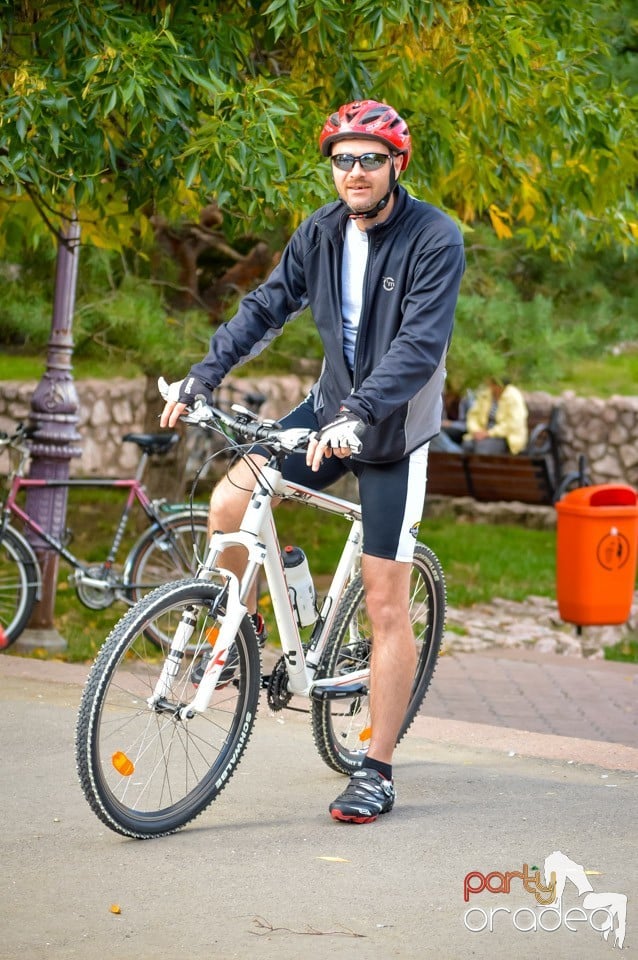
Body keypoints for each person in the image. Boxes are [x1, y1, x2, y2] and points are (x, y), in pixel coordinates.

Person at [160, 99, 465, 824]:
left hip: (391, 431)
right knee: (231, 502)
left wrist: (362, 414)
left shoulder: (435, 237)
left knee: (386, 599)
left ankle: (377, 768)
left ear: (397, 164)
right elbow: (265, 308)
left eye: (369, 158)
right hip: (328, 410)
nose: (354, 171)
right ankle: (241, 634)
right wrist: (204, 376)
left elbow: (419, 347)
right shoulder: (321, 232)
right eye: (342, 159)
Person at [463, 377, 528, 454]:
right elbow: (473, 415)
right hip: (482, 433)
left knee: (482, 448)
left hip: (505, 437)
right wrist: (476, 430)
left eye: (493, 384)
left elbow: (513, 424)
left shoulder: (513, 397)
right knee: (467, 445)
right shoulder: (486, 394)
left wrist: (489, 433)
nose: (491, 386)